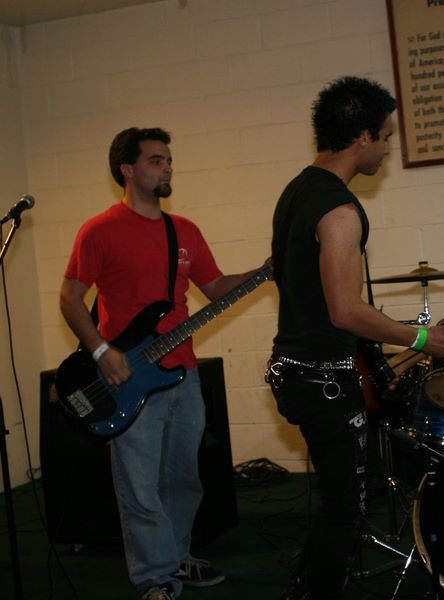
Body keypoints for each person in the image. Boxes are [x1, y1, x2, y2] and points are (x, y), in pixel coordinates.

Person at [266, 76, 444, 600]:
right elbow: (345, 311)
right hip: (322, 379)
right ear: (362, 137)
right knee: (344, 507)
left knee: (346, 496)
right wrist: (421, 340)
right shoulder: (339, 209)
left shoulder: (296, 191)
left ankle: (304, 587)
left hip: (296, 370)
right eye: (386, 136)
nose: (388, 147)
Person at [60, 127, 265, 600]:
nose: (167, 167)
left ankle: (176, 557)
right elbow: (70, 298)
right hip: (128, 377)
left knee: (184, 480)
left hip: (183, 372)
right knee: (140, 485)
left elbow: (215, 287)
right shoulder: (99, 230)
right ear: (127, 170)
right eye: (156, 160)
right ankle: (154, 578)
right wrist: (102, 352)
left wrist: (264, 271)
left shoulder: (184, 231)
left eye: (169, 160)